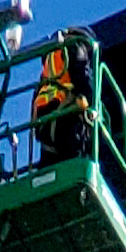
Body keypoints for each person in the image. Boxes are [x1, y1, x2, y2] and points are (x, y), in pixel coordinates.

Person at [33, 35, 93, 165]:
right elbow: (84, 79)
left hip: (45, 127)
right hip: (66, 119)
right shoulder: (75, 47)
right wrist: (91, 105)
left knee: (50, 166)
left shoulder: (47, 67)